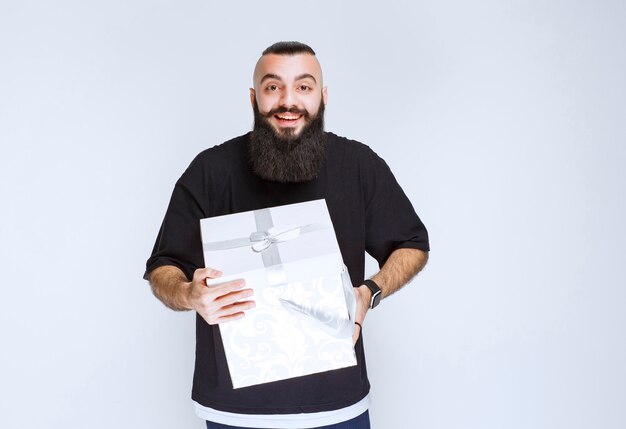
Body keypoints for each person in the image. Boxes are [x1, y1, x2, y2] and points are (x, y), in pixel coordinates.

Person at [144, 41, 430, 429]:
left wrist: (369, 293)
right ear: (254, 97)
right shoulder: (210, 171)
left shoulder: (359, 166)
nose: (288, 101)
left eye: (304, 87)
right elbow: (164, 266)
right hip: (232, 410)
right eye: (273, 86)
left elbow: (411, 244)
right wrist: (189, 294)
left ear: (323, 97)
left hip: (337, 406)